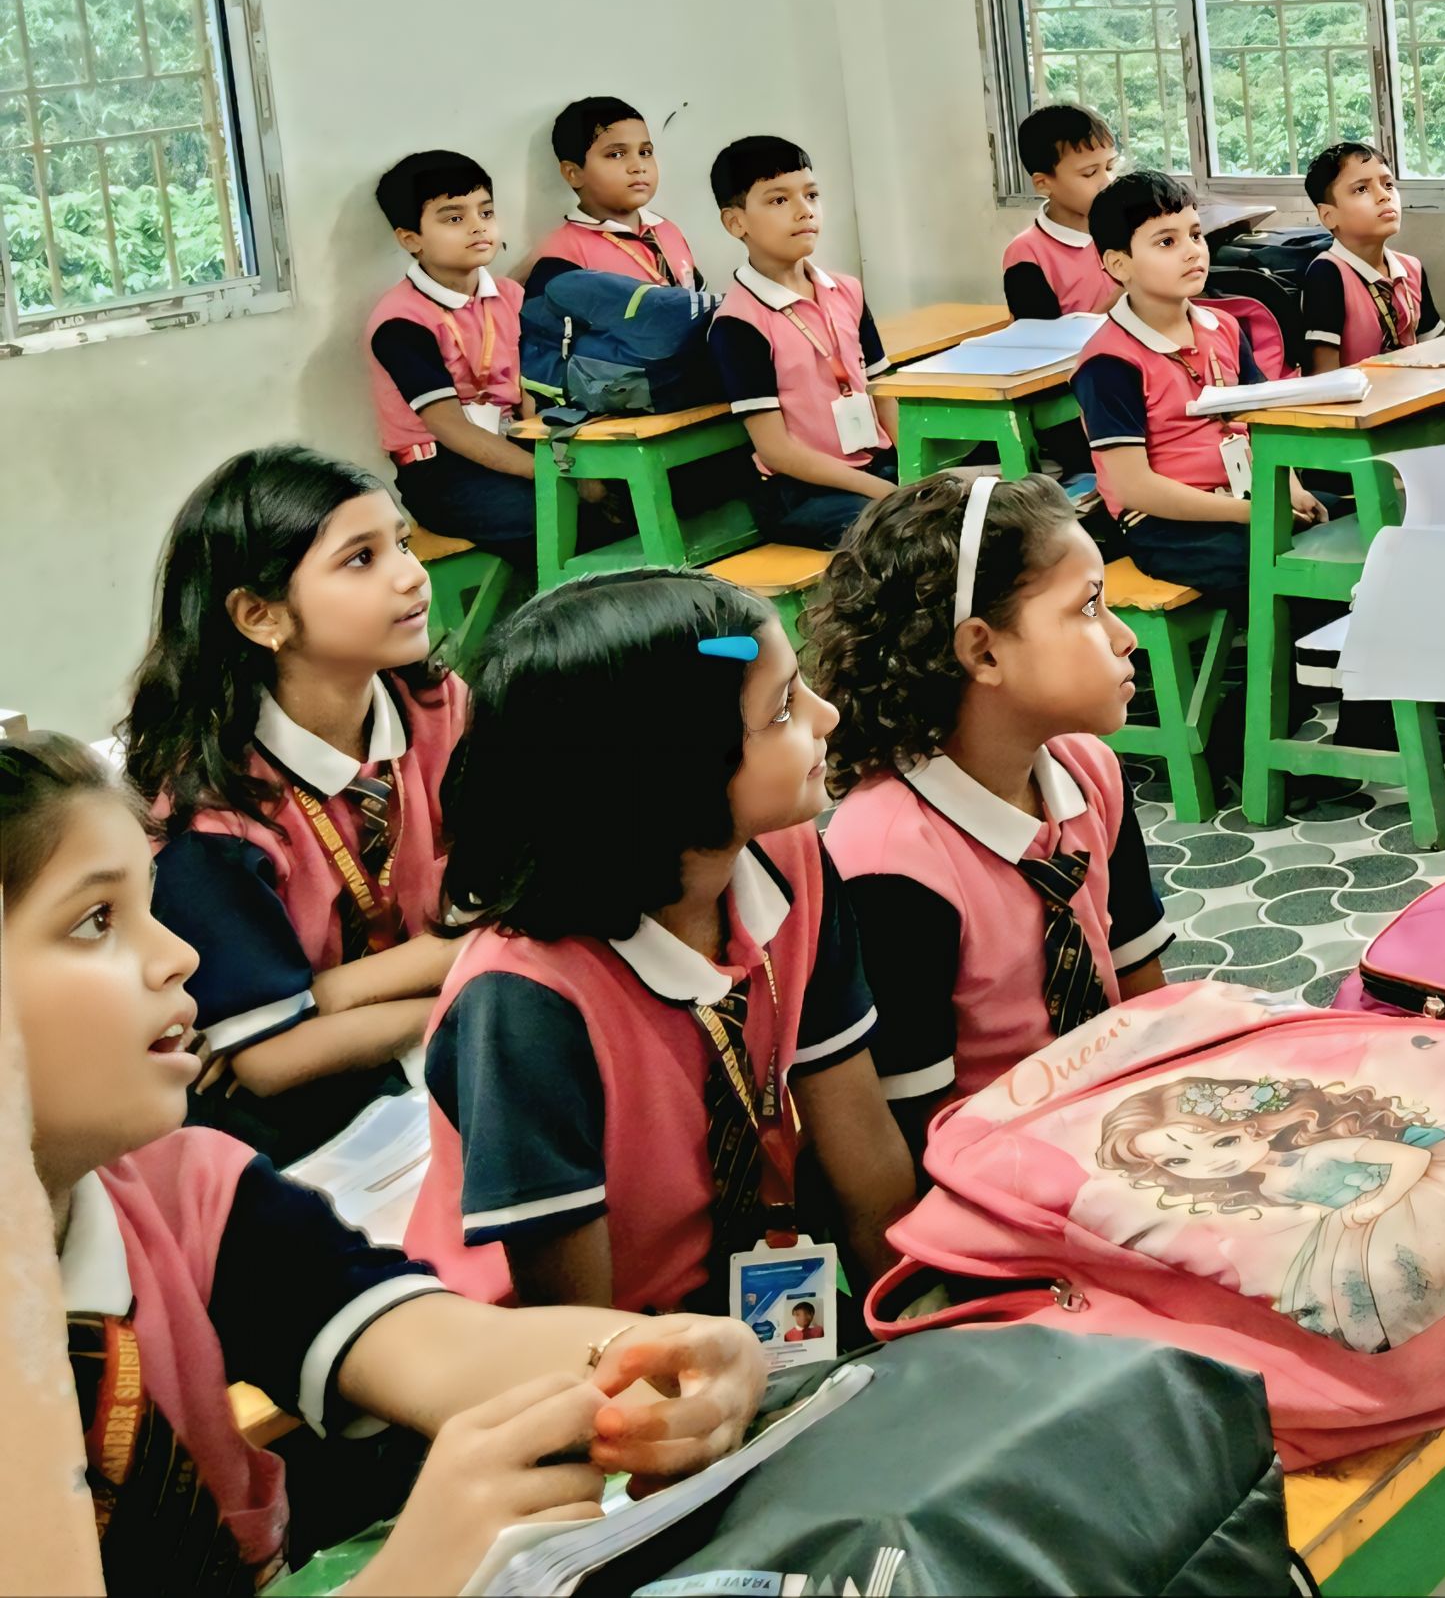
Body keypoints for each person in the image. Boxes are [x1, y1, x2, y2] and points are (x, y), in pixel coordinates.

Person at [4, 732, 770, 1596]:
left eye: (149, 905)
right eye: (96, 920)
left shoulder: (184, 1193)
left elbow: (438, 1345)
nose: (179, 954)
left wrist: (664, 1352)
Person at [411, 572, 913, 1315]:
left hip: (757, 1306)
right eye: (781, 709)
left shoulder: (790, 854)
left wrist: (917, 1326)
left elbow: (861, 1140)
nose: (826, 714)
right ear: (669, 771)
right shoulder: (524, 1002)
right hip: (582, 1358)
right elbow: (578, 1329)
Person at [804, 474, 1173, 1155]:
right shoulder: (890, 861)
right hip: (991, 1172)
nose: (1124, 636)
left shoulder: (1089, 773)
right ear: (983, 650)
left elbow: (1146, 1004)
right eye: (1089, 607)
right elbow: (915, 1130)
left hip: (1127, 1132)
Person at [124, 449, 466, 1162]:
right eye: (361, 558)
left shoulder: (438, 708)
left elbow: (521, 903)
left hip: (408, 1047)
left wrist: (328, 990)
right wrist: (477, 987)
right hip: (312, 1118)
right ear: (259, 615)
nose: (411, 574)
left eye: (401, 543)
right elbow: (270, 1061)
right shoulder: (209, 809)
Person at [1072, 170, 1323, 609]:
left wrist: (1290, 488)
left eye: (1195, 235)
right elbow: (1136, 489)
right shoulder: (1109, 362)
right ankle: (1286, 673)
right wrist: (1255, 512)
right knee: (1283, 565)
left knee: (1360, 527)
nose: (1192, 252)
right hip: (1167, 525)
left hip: (1245, 498)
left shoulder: (1224, 326)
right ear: (1118, 264)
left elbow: (1266, 424)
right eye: (1166, 242)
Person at [709, 133, 896, 546]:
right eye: (779, 200)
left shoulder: (847, 291)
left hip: (878, 470)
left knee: (974, 505)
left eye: (811, 195)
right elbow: (776, 451)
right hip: (801, 492)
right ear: (735, 222)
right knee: (901, 535)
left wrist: (916, 473)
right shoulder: (739, 322)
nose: (803, 211)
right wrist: (887, 495)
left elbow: (884, 394)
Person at [364, 151, 538, 557]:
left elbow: (532, 391)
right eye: (454, 218)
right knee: (555, 512)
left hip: (516, 445)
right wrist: (550, 473)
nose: (478, 227)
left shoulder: (513, 297)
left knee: (618, 492)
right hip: (441, 471)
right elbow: (450, 428)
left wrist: (561, 458)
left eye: (486, 212)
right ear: (411, 239)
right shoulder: (400, 320)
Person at [525, 97, 699, 294]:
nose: (638, 166)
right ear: (573, 173)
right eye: (616, 154)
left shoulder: (668, 231)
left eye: (645, 152)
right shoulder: (562, 253)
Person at [1299, 139, 1441, 366]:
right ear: (1328, 216)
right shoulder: (1327, 274)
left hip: (1417, 394)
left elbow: (1437, 351)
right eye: (1361, 189)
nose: (1384, 196)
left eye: (1388, 184)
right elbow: (1324, 378)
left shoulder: (1411, 268)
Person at [1001, 105, 1122, 321]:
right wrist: (1126, 300)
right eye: (1089, 173)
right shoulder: (1027, 254)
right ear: (1044, 184)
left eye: (1110, 167)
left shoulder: (1127, 227)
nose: (1107, 182)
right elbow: (1041, 342)